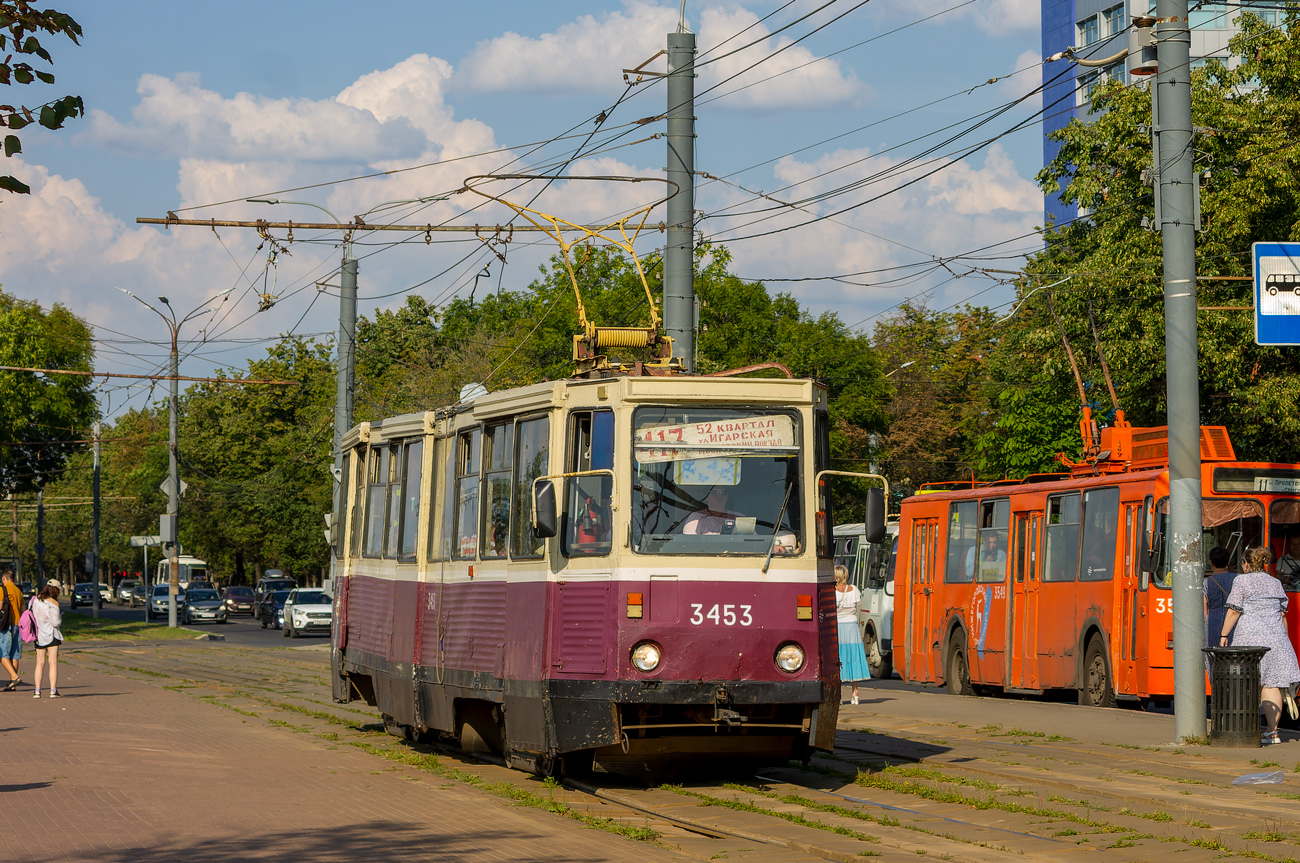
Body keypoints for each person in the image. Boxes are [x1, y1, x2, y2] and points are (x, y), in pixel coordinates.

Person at [1218, 547, 1300, 744]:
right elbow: (1282, 614)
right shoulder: (1275, 582)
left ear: (1246, 564)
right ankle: (1272, 732)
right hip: (1276, 639)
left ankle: (1244, 729)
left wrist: (1223, 634)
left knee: (1246, 683)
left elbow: (1234, 611)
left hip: (1250, 640)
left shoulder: (1242, 581)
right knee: (1271, 684)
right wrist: (1284, 639)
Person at [835, 564, 871, 705]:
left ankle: (838, 694)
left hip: (838, 626)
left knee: (838, 659)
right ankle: (855, 693)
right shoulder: (854, 589)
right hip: (852, 627)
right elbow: (858, 608)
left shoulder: (832, 591)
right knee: (853, 656)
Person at [31, 580, 63, 699]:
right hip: (52, 635)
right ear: (56, 590)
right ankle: (53, 691)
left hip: (39, 635)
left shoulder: (36, 600)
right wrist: (60, 618)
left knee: (39, 663)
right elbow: (55, 623)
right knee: (52, 662)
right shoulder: (54, 603)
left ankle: (37, 691)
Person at [1203, 546, 1238, 655]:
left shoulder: (1206, 582)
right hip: (1234, 623)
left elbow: (1204, 612)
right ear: (1228, 562)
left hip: (1213, 624)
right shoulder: (1238, 579)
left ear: (1211, 563)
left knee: (1214, 656)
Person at [1, 569, 22, 691]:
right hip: (18, 625)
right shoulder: (18, 591)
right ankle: (12, 684)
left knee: (2, 654)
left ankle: (15, 677)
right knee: (15, 655)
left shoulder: (2, 589)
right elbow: (23, 610)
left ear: (4, 578)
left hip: (6, 625)